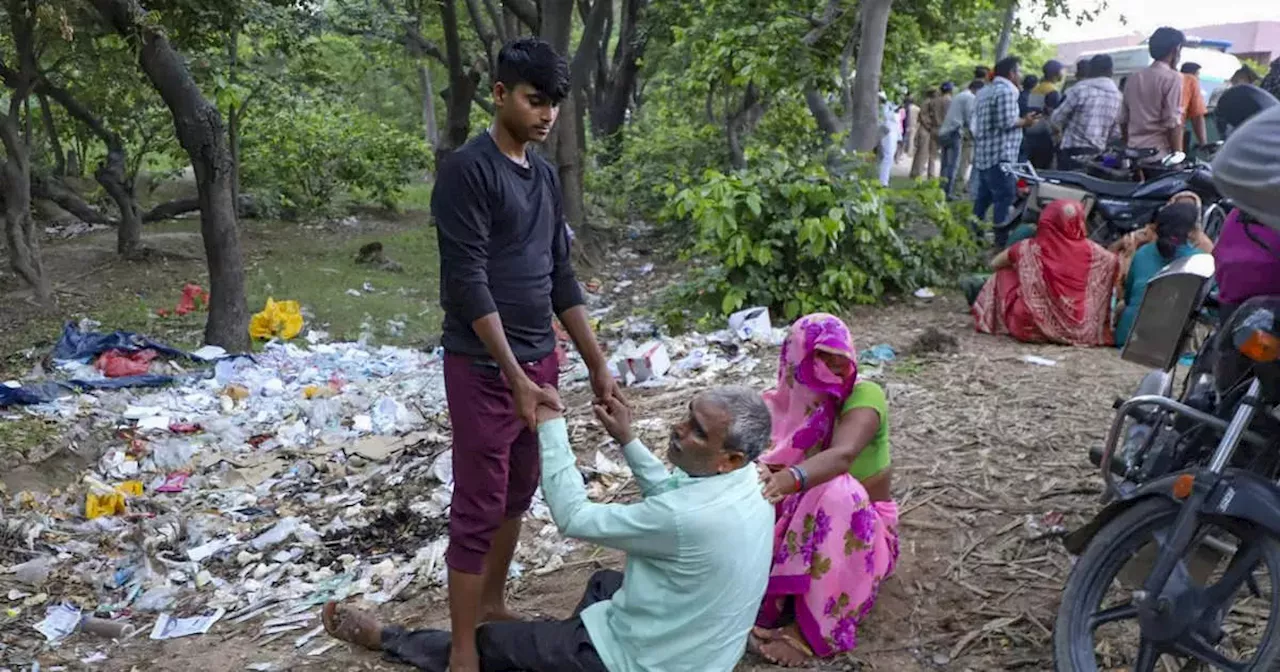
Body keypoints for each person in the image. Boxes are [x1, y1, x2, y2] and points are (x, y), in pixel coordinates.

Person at [321, 385, 776, 672]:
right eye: (686, 414)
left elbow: (573, 518)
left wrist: (551, 426)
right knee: (603, 583)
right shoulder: (747, 485)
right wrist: (627, 439)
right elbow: (670, 495)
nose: (678, 429)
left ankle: (393, 640)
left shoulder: (689, 517)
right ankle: (555, 652)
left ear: (729, 458)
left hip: (649, 662)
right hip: (702, 655)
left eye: (696, 430)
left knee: (487, 642)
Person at [431, 37, 624, 672]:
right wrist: (512, 373)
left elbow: (559, 275)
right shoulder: (467, 171)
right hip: (484, 367)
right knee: (478, 501)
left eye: (554, 105)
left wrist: (595, 360)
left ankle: (491, 603)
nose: (546, 115)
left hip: (542, 362)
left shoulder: (542, 175)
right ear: (500, 95)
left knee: (518, 489)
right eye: (534, 100)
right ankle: (463, 647)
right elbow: (468, 280)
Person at [749, 314, 899, 667]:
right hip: (801, 521)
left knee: (835, 489)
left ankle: (815, 628)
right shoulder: (782, 406)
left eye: (839, 354)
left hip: (864, 532)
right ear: (796, 359)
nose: (834, 364)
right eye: (820, 355)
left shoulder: (865, 394)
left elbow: (842, 456)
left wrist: (788, 479)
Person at [972, 199, 1120, 345]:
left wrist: (1024, 272)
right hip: (1081, 331)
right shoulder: (1098, 255)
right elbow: (1116, 266)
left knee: (1002, 275)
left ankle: (994, 320)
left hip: (1030, 329)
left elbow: (995, 264)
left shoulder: (1027, 249)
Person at [1114, 201, 1211, 346]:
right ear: (1192, 231)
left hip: (1127, 338)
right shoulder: (1201, 260)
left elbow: (1128, 298)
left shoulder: (1142, 252)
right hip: (1166, 346)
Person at [973, 56, 1040, 245]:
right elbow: (1006, 122)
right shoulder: (1006, 91)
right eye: (1018, 71)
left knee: (983, 199)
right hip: (1001, 155)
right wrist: (1026, 122)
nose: (1020, 75)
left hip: (985, 153)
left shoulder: (986, 91)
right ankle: (1000, 241)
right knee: (1005, 197)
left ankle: (975, 234)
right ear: (1011, 73)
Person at [1121, 27, 1186, 156]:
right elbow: (1173, 122)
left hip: (1133, 152)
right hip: (1158, 154)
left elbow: (1123, 119)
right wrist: (1177, 155)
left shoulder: (1133, 78)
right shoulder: (1173, 78)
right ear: (1176, 49)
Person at [1051, 54, 1123, 170]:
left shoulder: (1079, 90)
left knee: (1065, 187)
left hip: (1071, 153)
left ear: (1091, 70)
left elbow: (1056, 118)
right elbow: (1116, 133)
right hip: (1097, 158)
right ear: (1111, 71)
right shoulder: (1118, 97)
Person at [939, 80, 981, 197]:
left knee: (945, 164)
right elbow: (969, 118)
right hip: (954, 132)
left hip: (944, 131)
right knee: (953, 165)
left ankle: (940, 190)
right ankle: (948, 192)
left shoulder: (959, 95)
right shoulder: (970, 98)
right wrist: (975, 134)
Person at [911, 88, 947, 179]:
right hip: (925, 130)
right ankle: (916, 173)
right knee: (922, 152)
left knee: (927, 152)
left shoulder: (931, 102)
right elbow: (923, 116)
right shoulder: (927, 102)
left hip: (928, 129)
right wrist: (929, 126)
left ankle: (921, 173)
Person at [1180, 62, 1208, 149]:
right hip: (1175, 137)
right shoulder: (1191, 80)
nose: (1198, 78)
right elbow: (1197, 116)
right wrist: (1203, 144)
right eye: (1198, 74)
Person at [877, 91, 902, 186]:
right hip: (887, 132)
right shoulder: (883, 108)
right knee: (888, 156)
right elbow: (886, 118)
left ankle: (883, 179)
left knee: (889, 156)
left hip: (892, 132)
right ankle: (883, 181)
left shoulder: (890, 106)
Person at [898, 95, 919, 162]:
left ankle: (901, 152)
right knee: (911, 139)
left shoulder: (905, 108)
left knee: (903, 140)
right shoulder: (917, 108)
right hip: (914, 125)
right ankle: (909, 153)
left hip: (906, 125)